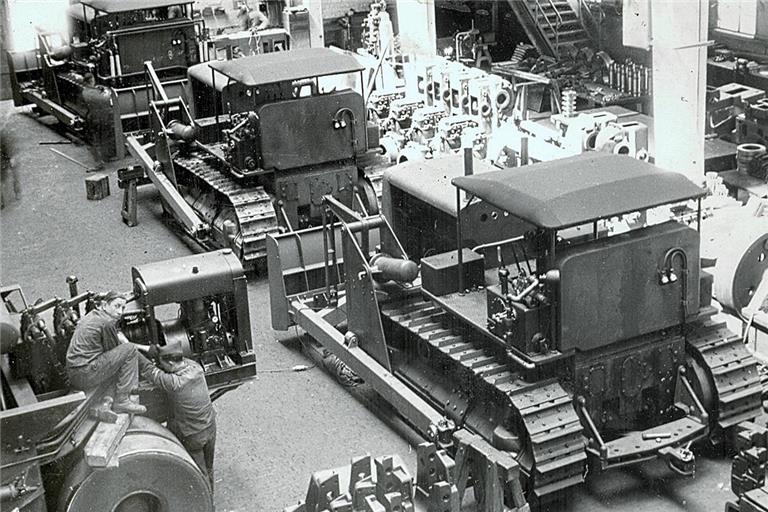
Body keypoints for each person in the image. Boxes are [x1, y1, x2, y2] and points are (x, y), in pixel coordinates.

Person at [139, 343, 217, 491]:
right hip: (210, 428)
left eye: (162, 364)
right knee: (209, 468)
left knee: (199, 474)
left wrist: (128, 346)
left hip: (194, 435)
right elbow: (162, 356)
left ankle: (205, 504)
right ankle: (210, 496)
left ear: (169, 362)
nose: (161, 367)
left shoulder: (175, 383)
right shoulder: (195, 368)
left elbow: (148, 369)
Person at [66, 291, 147, 414]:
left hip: (75, 375)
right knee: (130, 350)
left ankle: (106, 402)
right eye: (117, 306)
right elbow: (116, 352)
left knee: (113, 362)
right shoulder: (107, 322)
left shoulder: (91, 315)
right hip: (86, 372)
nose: (120, 312)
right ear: (104, 305)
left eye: (123, 307)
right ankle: (122, 400)